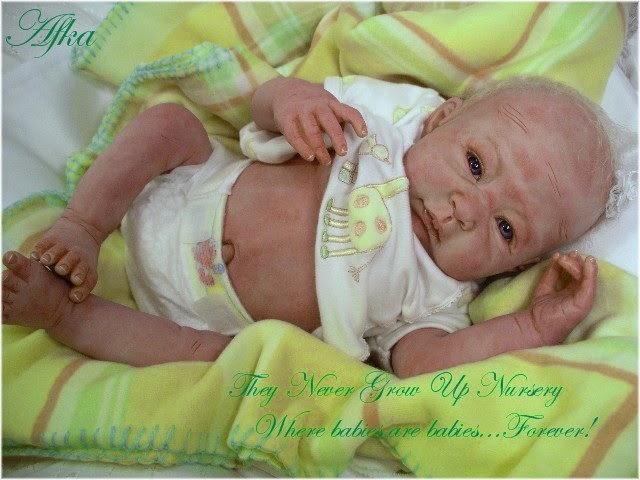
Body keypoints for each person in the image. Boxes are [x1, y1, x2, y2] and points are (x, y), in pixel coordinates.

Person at [2, 75, 616, 377]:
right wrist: (292, 103)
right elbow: (267, 102)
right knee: (169, 125)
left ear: (515, 266)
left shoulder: (440, 296)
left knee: (222, 365)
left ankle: (65, 315)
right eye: (475, 165)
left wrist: (532, 325)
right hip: (189, 189)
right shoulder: (379, 123)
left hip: (205, 320)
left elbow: (421, 365)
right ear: (442, 120)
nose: (465, 209)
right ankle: (83, 224)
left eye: (506, 229)